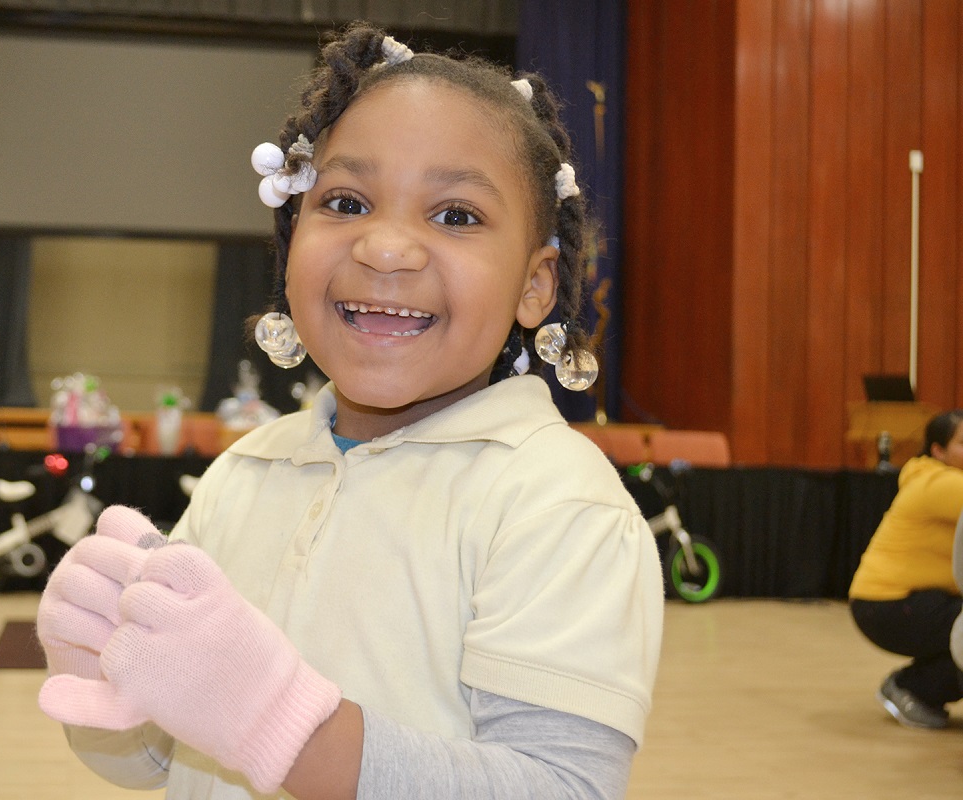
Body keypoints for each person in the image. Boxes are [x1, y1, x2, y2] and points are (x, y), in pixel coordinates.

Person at [34, 21, 664, 799]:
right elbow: (150, 761)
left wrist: (276, 720)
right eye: (346, 201)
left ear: (536, 285)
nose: (386, 247)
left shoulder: (556, 503)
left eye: (457, 215)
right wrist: (107, 684)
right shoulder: (246, 472)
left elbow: (561, 787)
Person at [849, 409, 963, 729]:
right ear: (938, 451)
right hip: (889, 604)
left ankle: (920, 687)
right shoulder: (940, 483)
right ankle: (912, 687)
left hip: (909, 602)